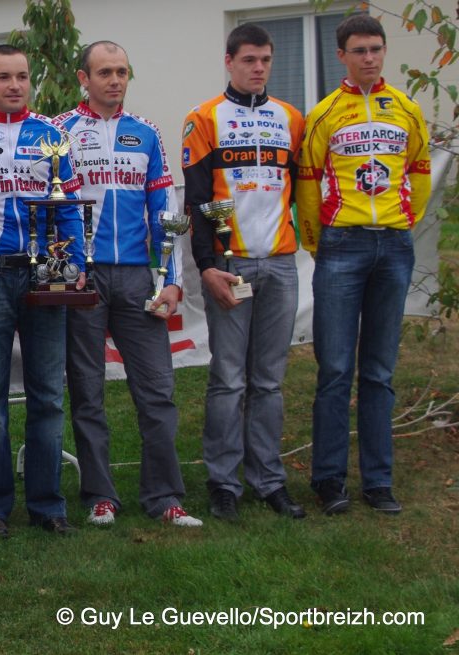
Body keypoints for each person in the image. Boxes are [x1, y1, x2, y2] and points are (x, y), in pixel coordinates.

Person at [56, 41, 202, 528]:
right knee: (87, 391)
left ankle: (166, 497)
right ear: (84, 77)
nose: (115, 80)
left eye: (121, 72)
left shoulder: (147, 133)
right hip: (84, 276)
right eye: (104, 72)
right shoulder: (61, 132)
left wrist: (174, 281)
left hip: (140, 275)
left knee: (157, 391)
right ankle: (100, 495)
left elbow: (165, 212)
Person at [297, 14, 430, 516]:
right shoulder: (325, 113)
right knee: (334, 368)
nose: (369, 58)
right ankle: (329, 480)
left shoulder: (407, 110)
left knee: (379, 370)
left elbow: (418, 169)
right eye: (359, 50)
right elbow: (308, 182)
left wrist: (404, 222)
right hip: (341, 246)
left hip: (393, 246)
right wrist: (317, 241)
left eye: (376, 48)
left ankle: (378, 480)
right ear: (342, 56)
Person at [0, 44, 84, 536]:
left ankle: (48, 505)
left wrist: (74, 262)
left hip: (46, 274)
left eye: (22, 76)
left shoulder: (53, 135)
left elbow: (68, 205)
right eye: (3, 76)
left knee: (48, 393)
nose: (14, 85)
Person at [182, 24, 307, 521]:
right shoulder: (204, 117)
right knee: (229, 379)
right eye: (250, 59)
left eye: (266, 60)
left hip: (279, 262)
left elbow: (302, 190)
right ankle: (223, 483)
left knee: (269, 381)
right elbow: (194, 201)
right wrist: (208, 266)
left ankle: (268, 480)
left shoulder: (291, 118)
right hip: (230, 264)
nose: (259, 68)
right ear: (229, 61)